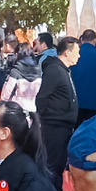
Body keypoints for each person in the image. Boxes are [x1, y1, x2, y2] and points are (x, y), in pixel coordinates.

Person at [35, 37, 81, 177]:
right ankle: (51, 190)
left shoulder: (64, 70)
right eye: (77, 52)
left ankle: (56, 189)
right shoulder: (54, 70)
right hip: (54, 127)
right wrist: (48, 119)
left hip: (63, 126)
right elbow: (42, 98)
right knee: (53, 166)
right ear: (67, 52)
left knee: (58, 165)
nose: (79, 56)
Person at [67, 30, 96, 135]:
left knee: (76, 133)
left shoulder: (75, 55)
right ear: (94, 40)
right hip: (95, 102)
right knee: (93, 133)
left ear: (82, 39)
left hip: (76, 101)